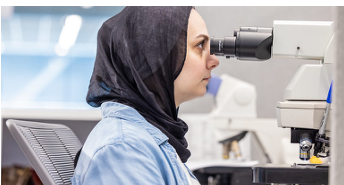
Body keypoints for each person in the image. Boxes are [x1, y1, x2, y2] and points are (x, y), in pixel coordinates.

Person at [71, 6, 219, 185]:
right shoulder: (124, 150)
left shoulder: (151, 138)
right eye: (200, 45)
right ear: (156, 57)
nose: (214, 61)